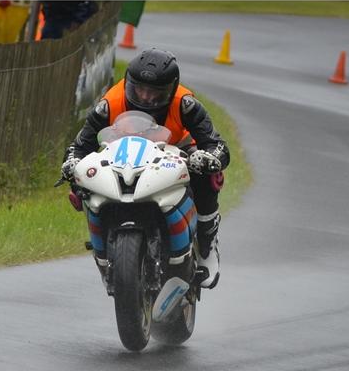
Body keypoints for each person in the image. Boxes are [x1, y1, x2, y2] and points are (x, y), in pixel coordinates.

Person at [60, 48, 230, 289]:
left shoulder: (186, 103)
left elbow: (217, 144)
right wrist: (71, 163)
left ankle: (207, 245)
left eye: (155, 93)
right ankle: (104, 250)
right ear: (129, 84)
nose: (146, 98)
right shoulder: (110, 103)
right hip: (124, 152)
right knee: (81, 183)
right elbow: (79, 145)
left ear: (171, 90)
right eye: (140, 89)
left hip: (177, 150)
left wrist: (209, 158)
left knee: (208, 178)